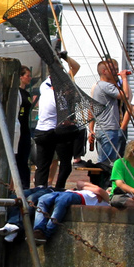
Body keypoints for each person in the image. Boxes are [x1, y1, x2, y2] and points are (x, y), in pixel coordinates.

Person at [31, 53, 85, 190]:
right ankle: (78, 157)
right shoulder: (51, 92)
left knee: (45, 165)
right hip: (53, 131)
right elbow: (64, 118)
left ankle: (40, 188)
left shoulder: (48, 88)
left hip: (42, 131)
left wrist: (65, 58)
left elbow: (76, 67)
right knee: (80, 130)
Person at [88, 59, 126, 167]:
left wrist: (91, 130)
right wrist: (124, 78)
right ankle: (103, 183)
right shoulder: (107, 86)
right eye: (113, 69)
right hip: (109, 130)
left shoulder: (96, 86)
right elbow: (125, 96)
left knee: (103, 161)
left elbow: (92, 109)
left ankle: (101, 182)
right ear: (104, 71)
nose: (116, 72)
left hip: (101, 129)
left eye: (117, 69)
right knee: (108, 164)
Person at [14, 66, 35, 187]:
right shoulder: (16, 93)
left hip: (25, 129)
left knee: (24, 159)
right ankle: (16, 184)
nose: (30, 78)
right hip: (18, 129)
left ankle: (25, 185)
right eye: (27, 75)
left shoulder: (27, 94)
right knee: (17, 158)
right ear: (20, 77)